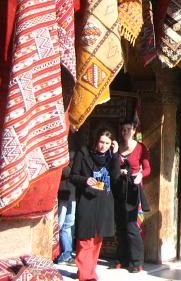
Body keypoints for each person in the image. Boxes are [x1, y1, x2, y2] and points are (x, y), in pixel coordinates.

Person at [70, 128, 120, 281]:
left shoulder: (111, 158)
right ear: (95, 140)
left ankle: (88, 271)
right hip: (87, 201)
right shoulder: (83, 153)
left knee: (97, 240)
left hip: (104, 202)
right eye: (101, 142)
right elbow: (73, 176)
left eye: (107, 143)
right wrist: (85, 180)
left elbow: (116, 177)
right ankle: (86, 276)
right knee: (85, 239)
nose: (103, 146)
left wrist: (116, 155)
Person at [114, 120, 151, 273]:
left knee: (131, 226)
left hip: (133, 188)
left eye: (129, 129)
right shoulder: (117, 147)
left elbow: (148, 168)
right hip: (119, 187)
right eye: (123, 130)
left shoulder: (141, 148)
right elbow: (112, 165)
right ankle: (122, 258)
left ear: (134, 130)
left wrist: (140, 175)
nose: (125, 132)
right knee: (120, 225)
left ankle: (137, 262)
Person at [56, 148, 76, 264]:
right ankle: (55, 252)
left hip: (72, 194)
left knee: (68, 224)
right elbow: (65, 171)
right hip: (62, 193)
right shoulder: (62, 152)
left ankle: (67, 253)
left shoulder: (76, 153)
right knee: (59, 223)